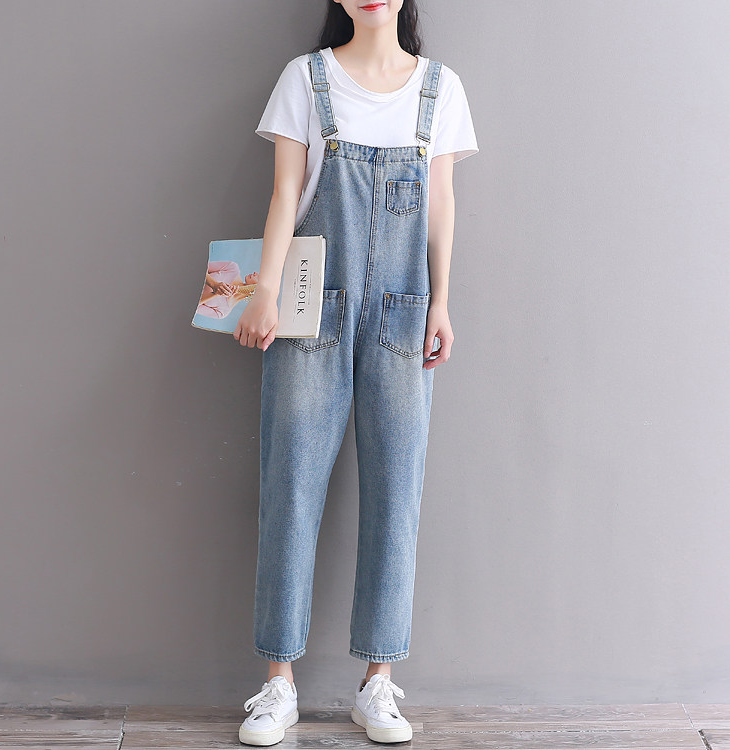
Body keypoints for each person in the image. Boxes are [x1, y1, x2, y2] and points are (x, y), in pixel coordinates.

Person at [234, 0, 478, 745]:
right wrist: (264, 291)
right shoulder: (305, 79)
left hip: (405, 310)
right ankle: (278, 684)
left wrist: (441, 302)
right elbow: (285, 192)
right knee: (291, 484)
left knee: (397, 491)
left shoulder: (440, 87)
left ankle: (378, 682)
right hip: (312, 309)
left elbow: (441, 199)